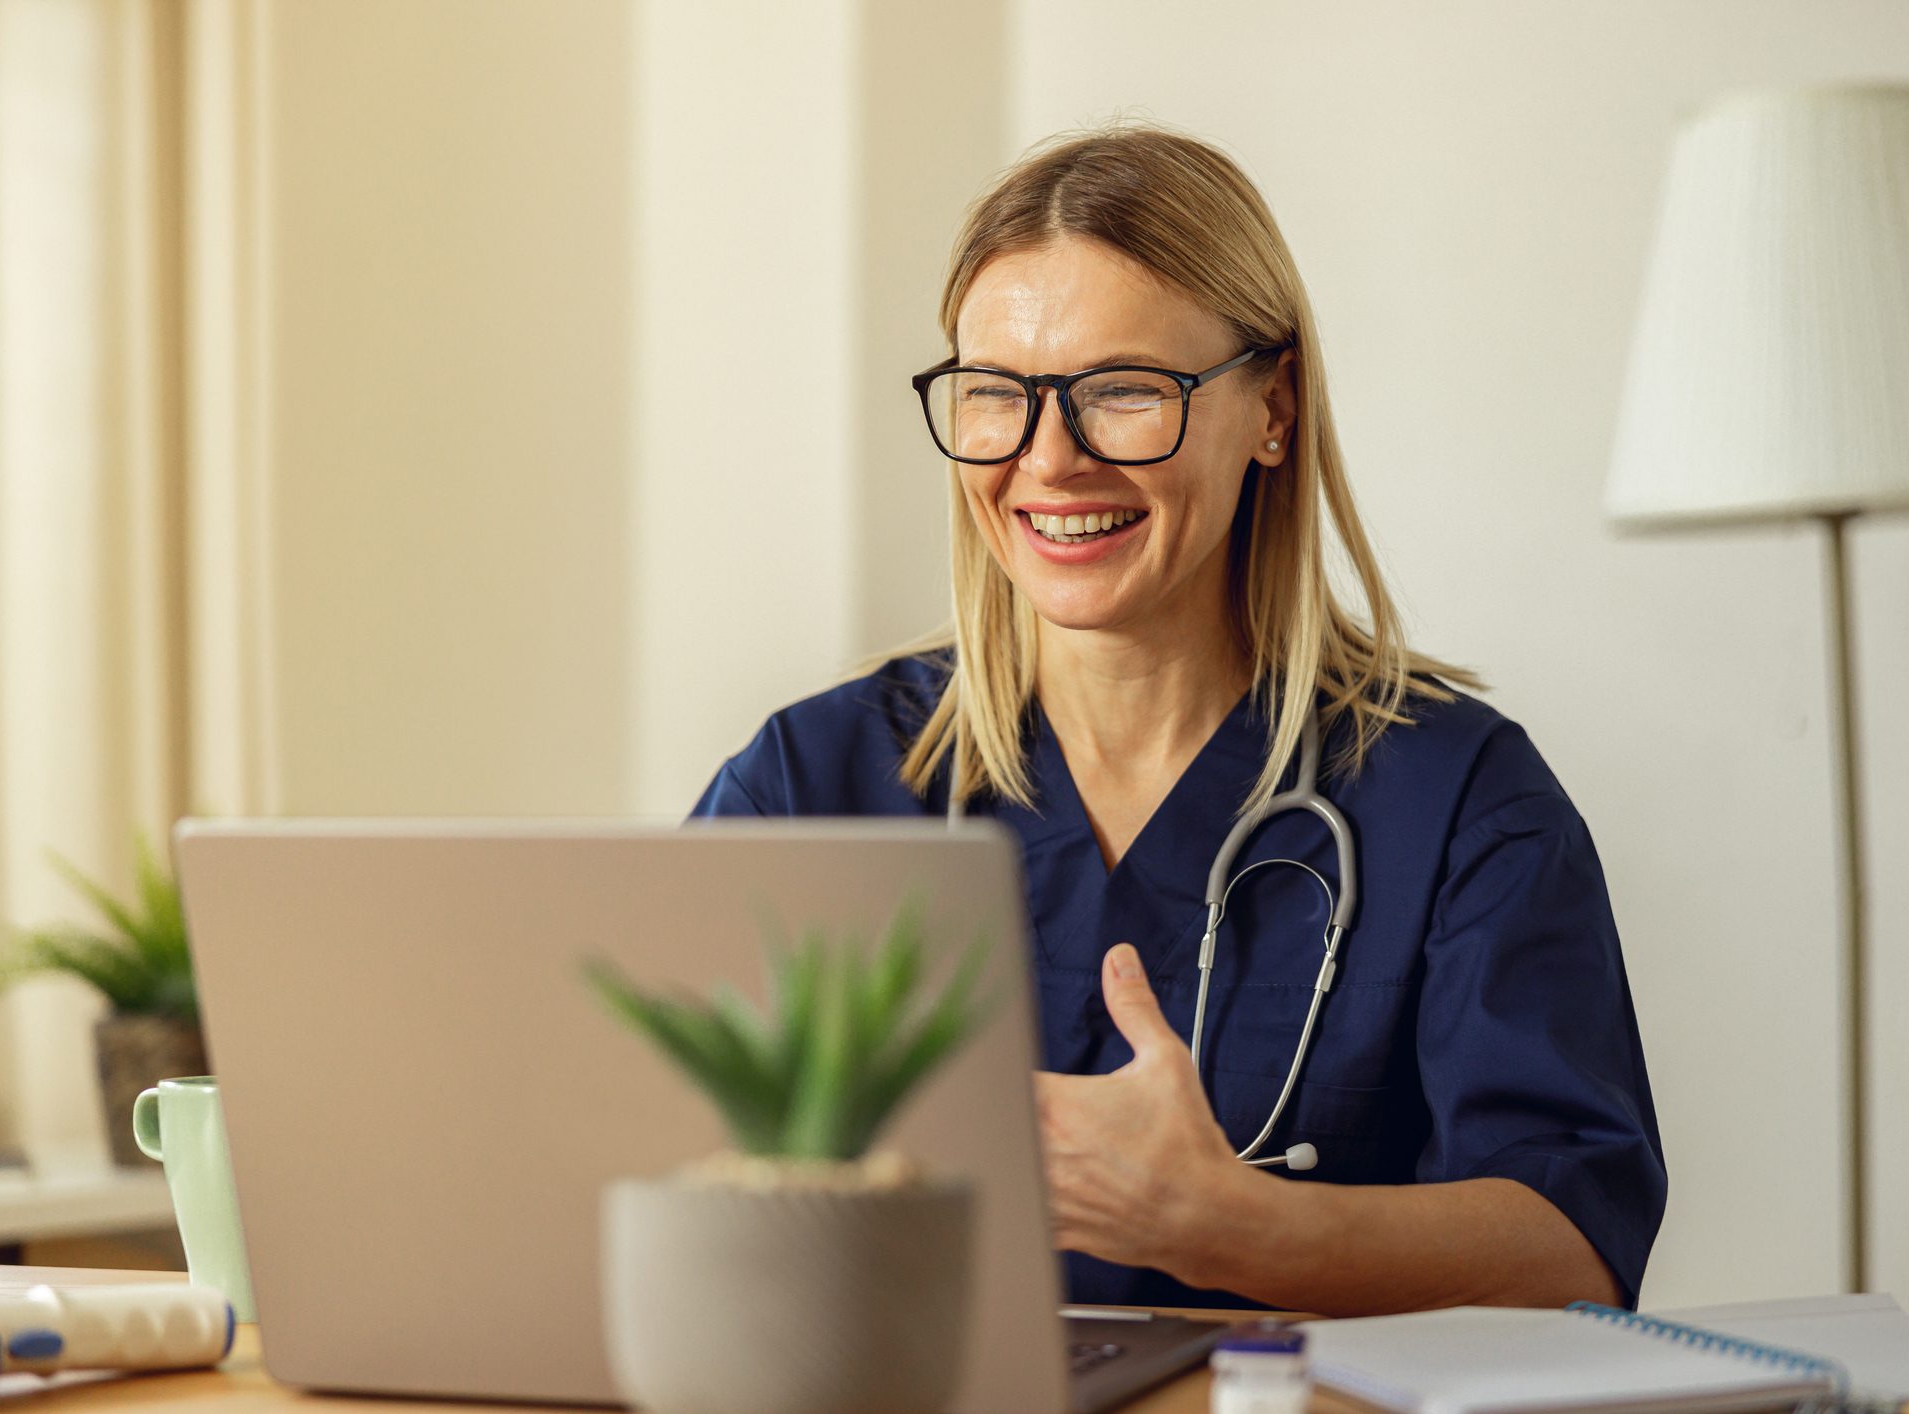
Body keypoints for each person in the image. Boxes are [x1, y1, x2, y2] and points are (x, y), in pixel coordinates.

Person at [691, 121, 1664, 1317]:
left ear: (1274, 408)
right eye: (996, 396)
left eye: (1123, 393)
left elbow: (1574, 1248)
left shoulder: (1460, 802)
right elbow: (620, 1163)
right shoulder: (812, 781)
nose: (1049, 460)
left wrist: (1233, 1228)